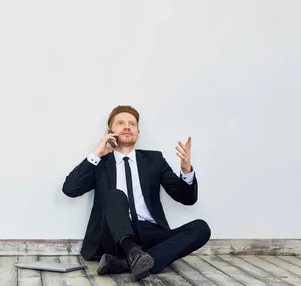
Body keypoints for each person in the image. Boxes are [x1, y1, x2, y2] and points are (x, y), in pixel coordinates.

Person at [62, 105, 211, 280]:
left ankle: (125, 263)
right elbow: (70, 189)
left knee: (201, 228)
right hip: (114, 235)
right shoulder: (100, 162)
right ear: (110, 131)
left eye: (132, 124)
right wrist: (97, 153)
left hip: (149, 233)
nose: (127, 127)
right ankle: (132, 252)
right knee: (115, 195)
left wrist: (186, 171)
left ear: (138, 132)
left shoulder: (154, 160)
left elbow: (186, 198)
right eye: (121, 123)